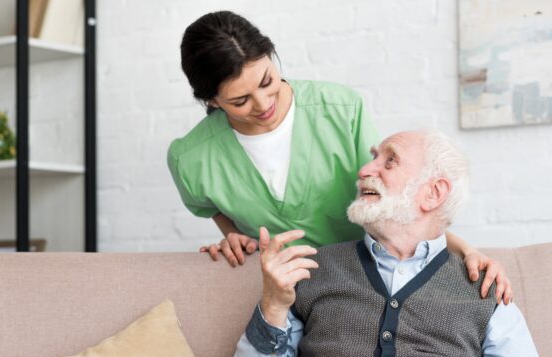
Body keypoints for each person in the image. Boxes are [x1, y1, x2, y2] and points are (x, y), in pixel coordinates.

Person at [168, 10, 512, 303]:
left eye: (267, 81)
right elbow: (210, 205)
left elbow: (393, 201)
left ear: (272, 56)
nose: (263, 104)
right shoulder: (191, 158)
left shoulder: (341, 110)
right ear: (211, 101)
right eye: (240, 101)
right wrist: (233, 235)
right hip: (287, 296)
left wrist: (466, 250)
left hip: (367, 283)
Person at [230, 131, 552, 357]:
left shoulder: (486, 288)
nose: (364, 170)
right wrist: (272, 307)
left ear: (433, 193)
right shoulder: (311, 271)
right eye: (374, 158)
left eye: (389, 161)